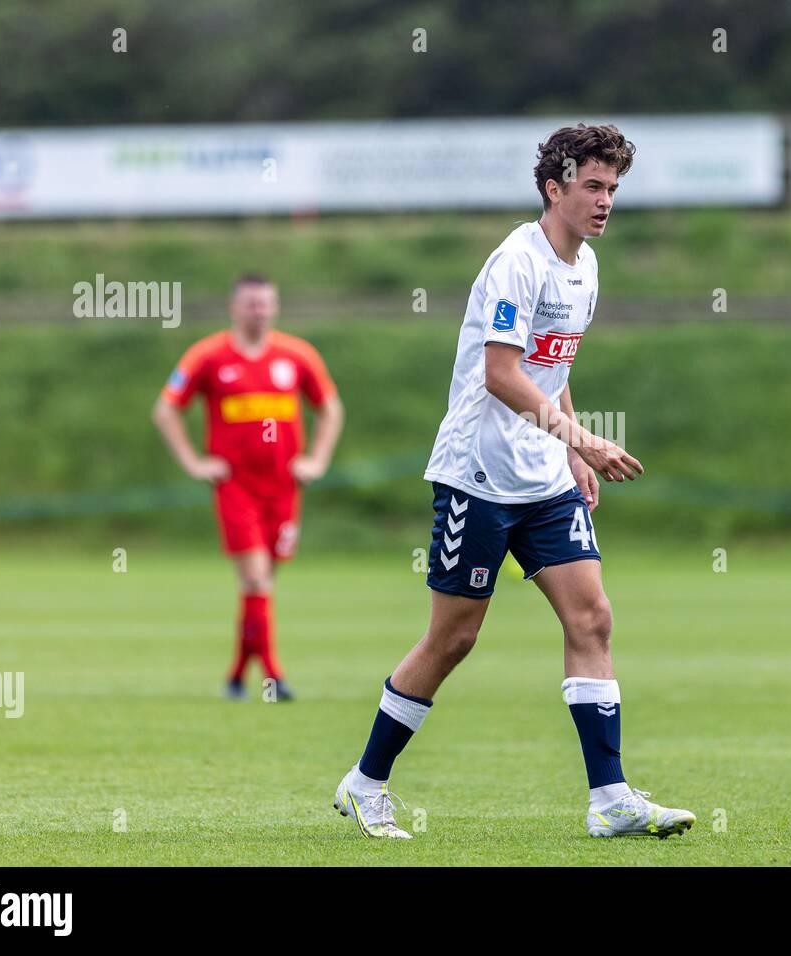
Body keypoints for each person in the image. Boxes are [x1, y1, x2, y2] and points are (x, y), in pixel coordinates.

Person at [333, 124, 695, 839]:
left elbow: (550, 372)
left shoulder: (585, 266)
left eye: (614, 187)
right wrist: (585, 440)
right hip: (477, 476)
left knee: (592, 617)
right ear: (553, 188)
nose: (605, 201)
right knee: (454, 639)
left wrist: (569, 454)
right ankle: (366, 781)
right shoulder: (515, 263)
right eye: (592, 186)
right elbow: (501, 375)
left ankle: (611, 799)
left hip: (543, 478)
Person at [153, 274, 343, 701]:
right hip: (236, 487)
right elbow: (166, 408)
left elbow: (330, 407)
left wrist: (317, 459)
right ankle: (273, 678)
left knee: (261, 584)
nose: (259, 311)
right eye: (251, 304)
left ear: (274, 307)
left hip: (284, 487)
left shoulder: (296, 356)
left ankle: (237, 675)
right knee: (257, 580)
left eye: (265, 304)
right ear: (233, 308)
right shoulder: (208, 356)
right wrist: (193, 462)